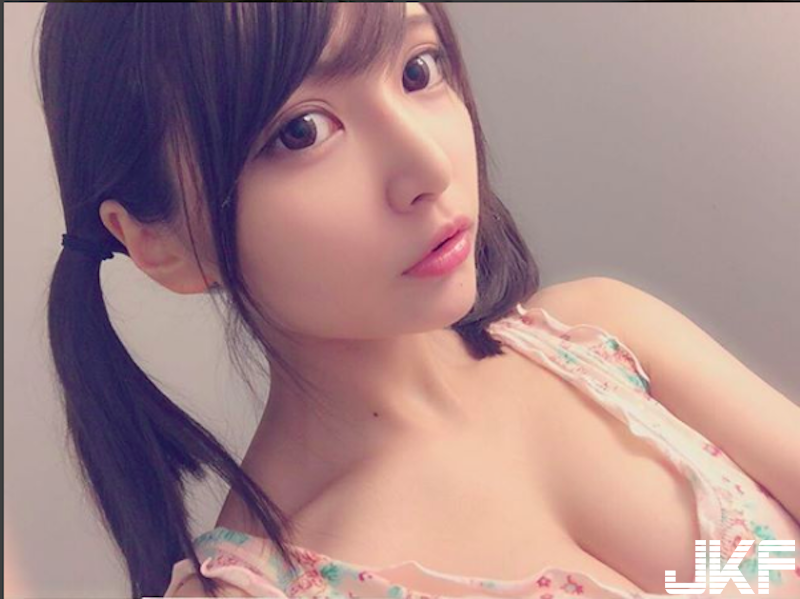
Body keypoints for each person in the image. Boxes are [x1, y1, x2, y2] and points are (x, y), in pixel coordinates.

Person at [37, 3, 800, 599]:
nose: (428, 164)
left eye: (417, 69)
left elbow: (731, 573)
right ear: (161, 242)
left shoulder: (599, 336)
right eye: (302, 131)